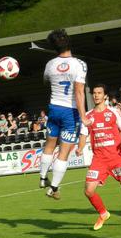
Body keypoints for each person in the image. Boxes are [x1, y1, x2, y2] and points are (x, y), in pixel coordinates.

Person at [76, 84, 121, 230]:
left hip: (117, 157)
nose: (96, 95)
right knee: (88, 190)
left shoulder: (113, 112)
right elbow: (83, 134)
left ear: (105, 96)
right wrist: (80, 148)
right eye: (94, 93)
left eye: (99, 93)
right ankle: (103, 213)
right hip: (99, 160)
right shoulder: (88, 116)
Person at [38, 29, 89, 199]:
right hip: (70, 112)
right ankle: (53, 187)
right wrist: (82, 116)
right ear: (69, 42)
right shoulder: (79, 64)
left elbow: (45, 80)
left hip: (54, 108)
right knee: (64, 153)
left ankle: (43, 177)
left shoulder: (50, 64)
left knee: (49, 145)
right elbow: (79, 92)